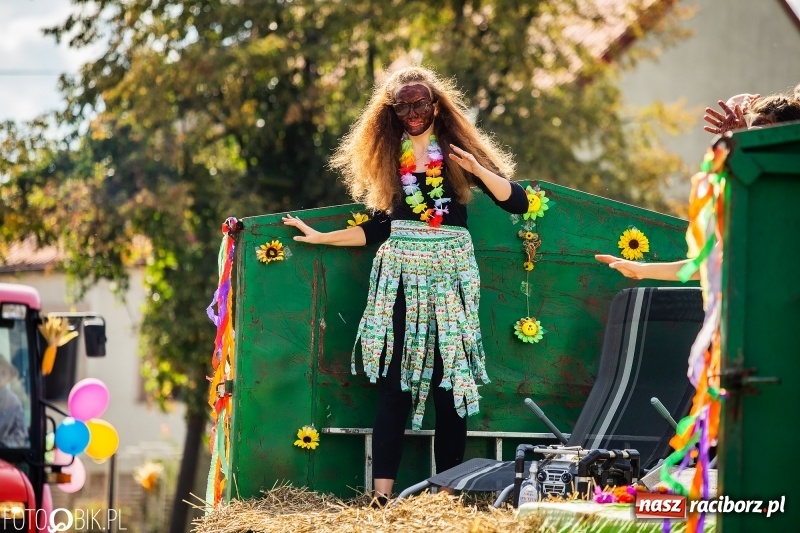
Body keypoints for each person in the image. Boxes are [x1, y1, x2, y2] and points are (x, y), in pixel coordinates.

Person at [283, 65, 529, 502]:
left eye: (419, 104)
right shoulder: (389, 157)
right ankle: (382, 498)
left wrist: (476, 167)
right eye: (402, 107)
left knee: (450, 382)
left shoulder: (455, 151)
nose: (412, 113)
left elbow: (518, 202)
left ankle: (448, 498)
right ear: (391, 111)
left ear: (436, 106)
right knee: (394, 381)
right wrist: (321, 238)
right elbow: (380, 228)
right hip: (399, 274)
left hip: (450, 274)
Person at [598, 90, 800, 280]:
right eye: (748, 132)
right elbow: (712, 264)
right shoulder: (749, 194)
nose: (749, 140)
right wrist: (641, 270)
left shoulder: (784, 192)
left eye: (759, 133)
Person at [0, 353, 27, 448]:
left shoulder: (13, 401)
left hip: (6, 451)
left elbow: (21, 435)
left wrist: (4, 446)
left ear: (9, 377)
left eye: (3, 373)